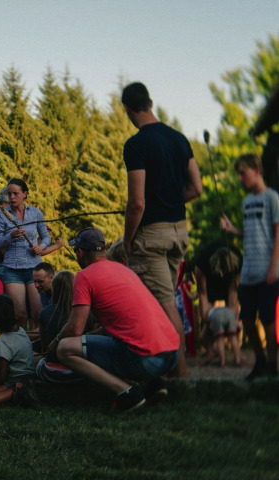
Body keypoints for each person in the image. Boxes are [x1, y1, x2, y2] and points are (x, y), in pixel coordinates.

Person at [49, 227, 181, 412]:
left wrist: (56, 341)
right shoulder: (123, 269)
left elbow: (75, 329)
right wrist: (92, 335)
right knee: (117, 339)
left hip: (147, 360)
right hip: (172, 354)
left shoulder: (84, 276)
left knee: (65, 348)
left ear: (80, 253)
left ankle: (127, 394)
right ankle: (154, 383)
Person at [121, 82, 203, 377]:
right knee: (167, 299)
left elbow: (137, 203)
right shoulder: (179, 139)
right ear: (151, 102)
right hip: (179, 233)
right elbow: (196, 188)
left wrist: (129, 239)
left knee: (165, 306)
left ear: (127, 109)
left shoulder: (136, 145)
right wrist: (169, 199)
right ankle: (171, 372)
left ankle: (180, 377)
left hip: (152, 237)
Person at [221, 153, 279, 380]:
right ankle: (261, 360)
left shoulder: (273, 199)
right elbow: (252, 234)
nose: (239, 178)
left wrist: (273, 267)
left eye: (242, 173)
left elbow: (276, 234)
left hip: (269, 271)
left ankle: (273, 367)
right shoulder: (246, 202)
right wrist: (232, 229)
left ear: (257, 170)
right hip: (248, 272)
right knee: (245, 318)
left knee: (268, 320)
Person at [0, 178, 51, 330]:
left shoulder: (36, 212)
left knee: (38, 313)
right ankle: (22, 347)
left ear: (24, 194)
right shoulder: (2, 215)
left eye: (15, 194)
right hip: (12, 270)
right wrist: (10, 236)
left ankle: (38, 348)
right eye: (9, 194)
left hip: (34, 269)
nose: (12, 197)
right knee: (20, 315)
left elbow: (46, 236)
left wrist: (41, 247)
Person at [194, 242, 243, 365]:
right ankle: (211, 351)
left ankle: (235, 357)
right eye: (222, 269)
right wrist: (207, 321)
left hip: (228, 286)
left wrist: (233, 318)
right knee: (207, 323)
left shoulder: (238, 262)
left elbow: (233, 292)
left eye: (226, 270)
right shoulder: (203, 262)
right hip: (209, 285)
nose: (224, 272)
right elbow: (203, 294)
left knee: (231, 321)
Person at [35, 271, 84, 384]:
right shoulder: (86, 313)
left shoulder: (45, 313)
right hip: (81, 371)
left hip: (51, 371)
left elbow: (44, 350)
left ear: (54, 289)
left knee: (33, 357)